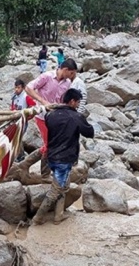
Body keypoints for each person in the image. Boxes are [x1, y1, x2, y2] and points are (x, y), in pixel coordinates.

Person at [32, 89, 94, 225]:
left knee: (63, 186)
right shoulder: (76, 117)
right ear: (72, 101)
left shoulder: (51, 115)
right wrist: (82, 119)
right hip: (64, 159)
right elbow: (90, 133)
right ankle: (38, 217)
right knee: (56, 189)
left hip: (51, 156)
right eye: (77, 102)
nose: (78, 105)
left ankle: (58, 215)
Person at [25, 59, 78, 179]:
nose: (73, 76)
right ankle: (44, 174)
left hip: (56, 118)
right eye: (71, 73)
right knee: (49, 145)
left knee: (53, 144)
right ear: (65, 70)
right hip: (42, 116)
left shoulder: (67, 83)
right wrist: (43, 102)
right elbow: (28, 88)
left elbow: (62, 100)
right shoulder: (47, 77)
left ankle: (28, 166)